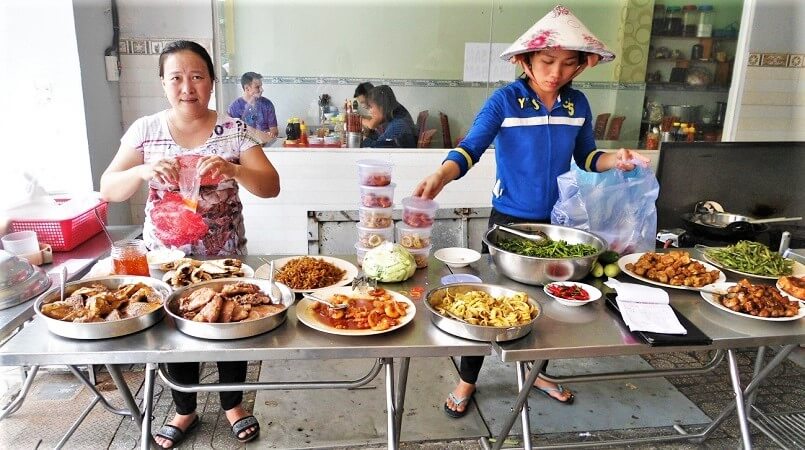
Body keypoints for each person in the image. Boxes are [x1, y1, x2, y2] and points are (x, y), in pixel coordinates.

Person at [413, 5, 649, 418]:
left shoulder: (577, 105)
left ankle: (534, 371)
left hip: (555, 226)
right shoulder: (506, 100)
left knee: (546, 303)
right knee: (486, 302)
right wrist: (440, 176)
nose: (556, 72)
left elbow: (589, 156)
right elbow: (469, 148)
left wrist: (618, 159)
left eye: (566, 64)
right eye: (547, 61)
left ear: (578, 67)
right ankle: (468, 378)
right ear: (526, 61)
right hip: (507, 222)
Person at [100, 40, 280, 447]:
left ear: (212, 82)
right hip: (165, 260)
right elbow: (109, 188)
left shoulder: (232, 130)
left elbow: (270, 186)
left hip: (224, 259)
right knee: (174, 331)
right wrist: (143, 170)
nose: (187, 87)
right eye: (176, 78)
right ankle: (185, 410)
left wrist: (234, 168)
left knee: (230, 324)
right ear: (163, 83)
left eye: (197, 76)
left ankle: (233, 403)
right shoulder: (146, 130)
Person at [227, 71, 279, 143]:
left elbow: (274, 131)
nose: (262, 90)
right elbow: (233, 135)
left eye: (261, 86)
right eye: (257, 87)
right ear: (247, 88)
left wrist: (271, 135)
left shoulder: (267, 104)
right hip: (244, 149)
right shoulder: (234, 108)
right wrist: (259, 137)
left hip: (267, 146)